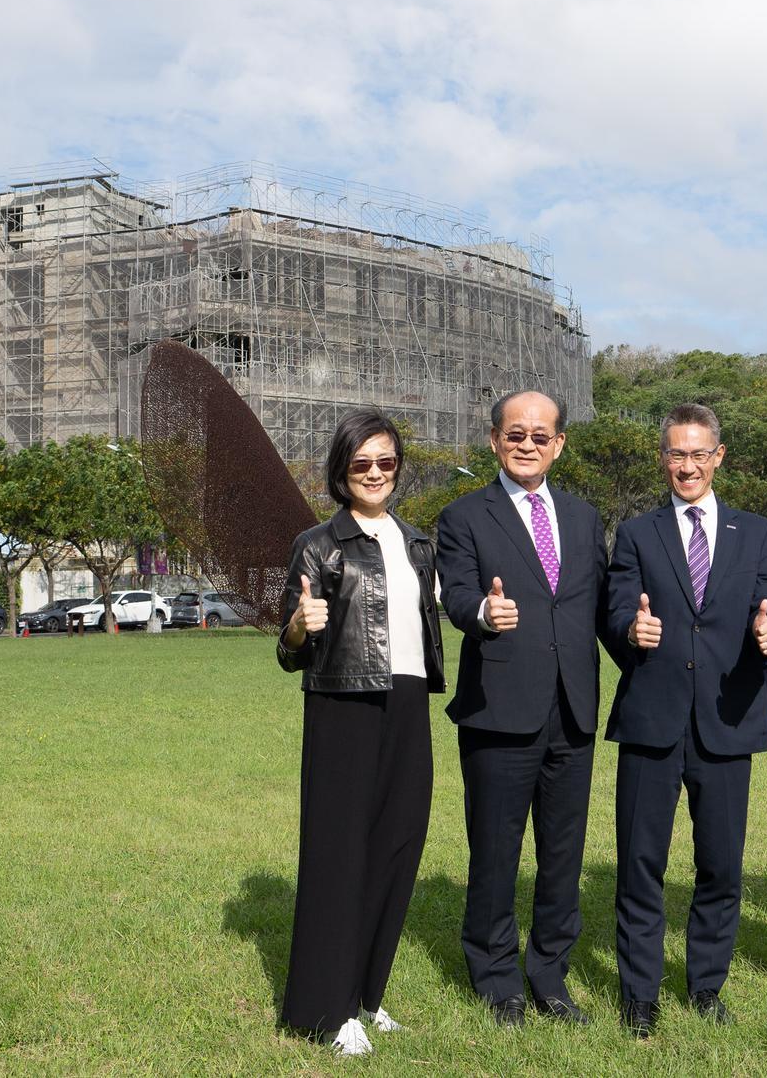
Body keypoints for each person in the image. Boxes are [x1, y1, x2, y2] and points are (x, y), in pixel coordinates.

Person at [604, 403, 767, 1037]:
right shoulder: (635, 533)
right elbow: (616, 609)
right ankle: (639, 993)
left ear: (719, 457)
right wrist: (632, 627)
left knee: (721, 866)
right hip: (652, 720)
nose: (687, 465)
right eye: (676, 454)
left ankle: (707, 985)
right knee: (640, 863)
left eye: (698, 454)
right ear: (663, 459)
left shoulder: (758, 533)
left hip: (726, 719)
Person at [275, 409, 447, 1057]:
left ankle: (368, 996)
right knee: (338, 855)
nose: (375, 473)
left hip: (407, 703)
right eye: (361, 464)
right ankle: (326, 1009)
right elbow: (287, 650)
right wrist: (299, 624)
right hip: (342, 701)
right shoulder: (317, 544)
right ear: (342, 471)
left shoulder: (418, 543)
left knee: (397, 848)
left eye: (386, 462)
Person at [436, 391, 607, 1027]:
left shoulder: (585, 518)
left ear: (559, 444)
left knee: (563, 852)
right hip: (499, 711)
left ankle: (549, 973)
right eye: (516, 434)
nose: (528, 444)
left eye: (541, 435)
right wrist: (483, 613)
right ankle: (496, 976)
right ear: (494, 440)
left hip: (573, 711)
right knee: (496, 850)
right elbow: (455, 593)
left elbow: (600, 606)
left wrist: (647, 635)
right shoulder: (464, 516)